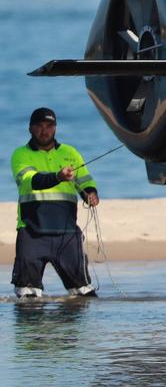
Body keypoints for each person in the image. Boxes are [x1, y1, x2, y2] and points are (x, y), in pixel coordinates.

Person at [10, 107, 98, 299]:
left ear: (55, 128)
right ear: (30, 129)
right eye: (39, 126)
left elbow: (85, 181)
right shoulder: (21, 155)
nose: (45, 131)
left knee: (84, 296)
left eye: (49, 126)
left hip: (66, 235)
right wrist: (58, 176)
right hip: (32, 234)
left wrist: (90, 194)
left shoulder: (70, 152)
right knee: (28, 298)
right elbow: (32, 180)